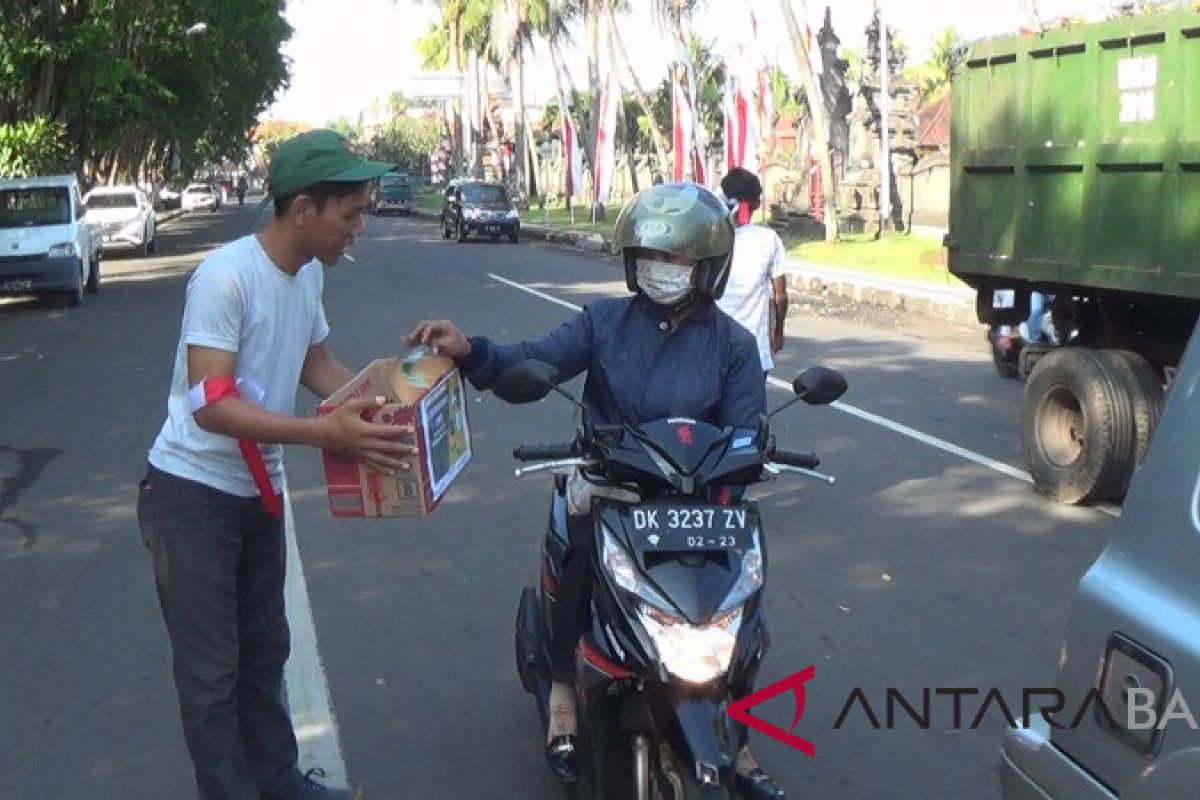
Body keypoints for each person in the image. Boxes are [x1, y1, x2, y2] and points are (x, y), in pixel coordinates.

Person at [406, 182, 785, 800]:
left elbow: (746, 432)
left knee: (745, 586)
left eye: (678, 259)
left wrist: (750, 459)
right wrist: (471, 351)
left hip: (697, 502)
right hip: (613, 491)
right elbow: (536, 361)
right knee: (578, 544)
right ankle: (562, 690)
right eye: (652, 257)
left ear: (708, 268)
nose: (662, 270)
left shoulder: (735, 347)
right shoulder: (603, 323)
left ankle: (738, 735)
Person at [137, 129, 413, 800]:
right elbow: (211, 403)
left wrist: (392, 406)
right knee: (211, 677)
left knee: (265, 652)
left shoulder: (307, 273)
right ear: (302, 211)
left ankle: (280, 782)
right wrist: (326, 436)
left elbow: (314, 363)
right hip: (192, 496)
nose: (358, 229)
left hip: (257, 496)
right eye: (349, 214)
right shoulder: (226, 277)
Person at [717, 168, 789, 375]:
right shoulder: (768, 240)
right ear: (757, 204)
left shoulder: (709, 237)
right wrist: (778, 330)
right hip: (754, 352)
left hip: (712, 348)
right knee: (751, 407)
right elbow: (780, 296)